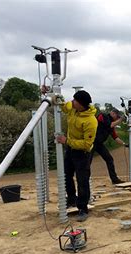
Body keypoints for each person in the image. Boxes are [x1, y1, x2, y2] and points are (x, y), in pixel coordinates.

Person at [54, 90, 98, 222]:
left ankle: (83, 208)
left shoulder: (90, 121)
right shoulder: (73, 109)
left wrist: (66, 141)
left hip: (83, 153)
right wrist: (52, 95)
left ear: (81, 104)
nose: (72, 102)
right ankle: (72, 199)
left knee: (82, 179)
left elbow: (86, 144)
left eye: (75, 101)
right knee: (66, 175)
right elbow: (62, 104)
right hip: (71, 149)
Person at [91, 108, 126, 185]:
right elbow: (110, 125)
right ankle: (85, 179)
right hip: (92, 142)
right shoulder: (103, 116)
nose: (117, 118)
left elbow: (115, 137)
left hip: (99, 144)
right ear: (113, 113)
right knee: (87, 161)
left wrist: (124, 144)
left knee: (109, 159)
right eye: (117, 116)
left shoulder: (112, 125)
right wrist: (121, 119)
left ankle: (114, 179)